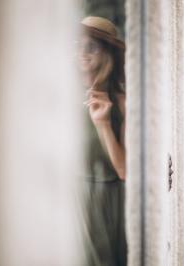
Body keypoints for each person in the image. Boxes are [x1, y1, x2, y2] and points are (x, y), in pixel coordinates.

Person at [78, 16, 127, 266]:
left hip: (108, 200)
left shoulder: (121, 102)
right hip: (69, 197)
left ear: (106, 53)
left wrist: (103, 124)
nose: (81, 53)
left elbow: (124, 170)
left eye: (90, 47)